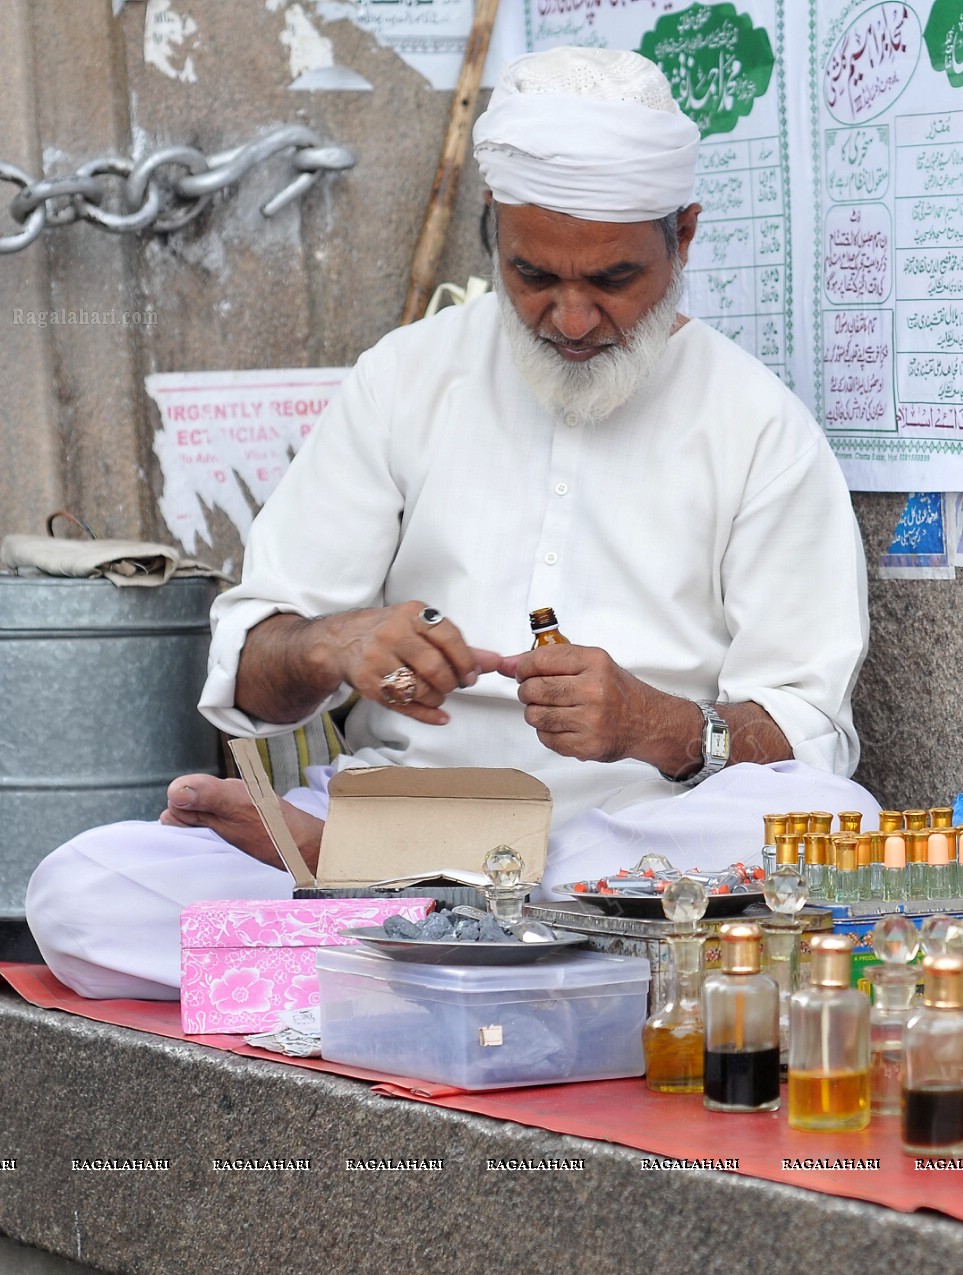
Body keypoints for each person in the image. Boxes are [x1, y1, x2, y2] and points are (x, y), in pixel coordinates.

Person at [26, 47, 877, 1000]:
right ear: (492, 232)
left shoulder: (760, 426)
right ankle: (544, 963)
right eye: (531, 273)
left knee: (825, 824)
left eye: (613, 278)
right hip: (384, 820)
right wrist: (336, 645)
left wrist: (658, 724)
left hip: (631, 848)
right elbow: (254, 676)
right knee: (79, 895)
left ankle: (416, 939)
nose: (570, 314)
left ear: (683, 235)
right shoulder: (404, 379)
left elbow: (810, 741)